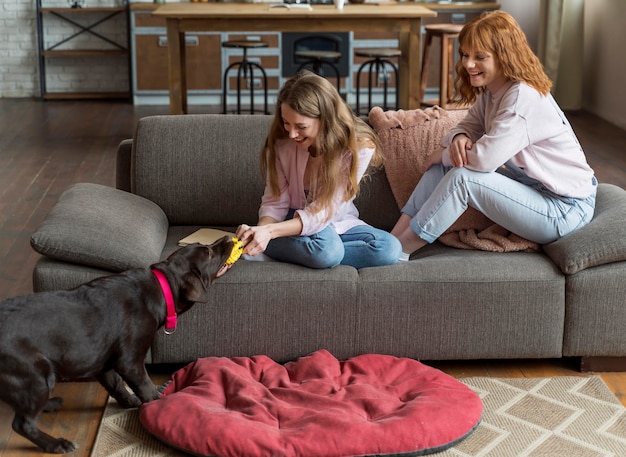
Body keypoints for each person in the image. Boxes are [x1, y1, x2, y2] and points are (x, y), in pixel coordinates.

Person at [391, 10, 597, 259]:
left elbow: (484, 161)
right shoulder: (494, 93)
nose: (468, 64)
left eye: (480, 57)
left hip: (565, 208)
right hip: (536, 191)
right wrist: (459, 139)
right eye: (465, 55)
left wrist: (444, 155)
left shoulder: (522, 98)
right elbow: (464, 125)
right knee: (445, 168)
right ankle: (392, 239)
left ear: (505, 57)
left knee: (463, 178)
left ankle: (399, 252)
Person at [236, 70, 401, 269]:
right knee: (327, 251)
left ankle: (291, 252)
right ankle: (276, 248)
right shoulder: (281, 144)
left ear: (325, 120)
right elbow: (275, 202)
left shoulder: (358, 148)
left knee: (389, 248)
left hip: (332, 221)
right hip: (291, 222)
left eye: (301, 126)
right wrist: (262, 232)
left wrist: (269, 233)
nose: (291, 133)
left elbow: (326, 211)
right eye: (286, 123)